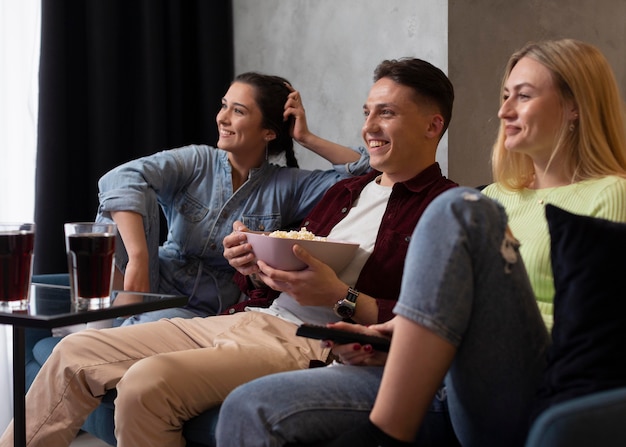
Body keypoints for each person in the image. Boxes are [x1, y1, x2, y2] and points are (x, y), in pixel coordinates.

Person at [0, 57, 458, 447]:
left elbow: (430, 320)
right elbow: (293, 256)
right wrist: (255, 266)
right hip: (248, 316)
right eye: (367, 111)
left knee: (145, 384)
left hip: (312, 340)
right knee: (74, 351)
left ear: (433, 124)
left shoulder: (449, 209)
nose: (369, 126)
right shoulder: (345, 193)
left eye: (387, 114)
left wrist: (339, 294)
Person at [215, 38, 626, 447]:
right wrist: (387, 338)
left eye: (524, 96)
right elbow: (443, 306)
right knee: (250, 406)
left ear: (575, 106)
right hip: (444, 375)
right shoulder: (496, 197)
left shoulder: (610, 193)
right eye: (504, 96)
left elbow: (592, 327)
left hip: (528, 379)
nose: (503, 111)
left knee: (456, 206)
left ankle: (388, 430)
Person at [96, 71, 370, 324]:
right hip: (153, 282)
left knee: (149, 327)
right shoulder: (196, 161)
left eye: (237, 111)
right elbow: (119, 178)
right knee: (130, 196)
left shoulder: (289, 186)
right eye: (224, 105)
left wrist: (305, 137)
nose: (222, 118)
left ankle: (109, 330)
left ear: (269, 132)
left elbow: (367, 171)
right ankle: (111, 320)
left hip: (205, 310)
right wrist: (139, 257)